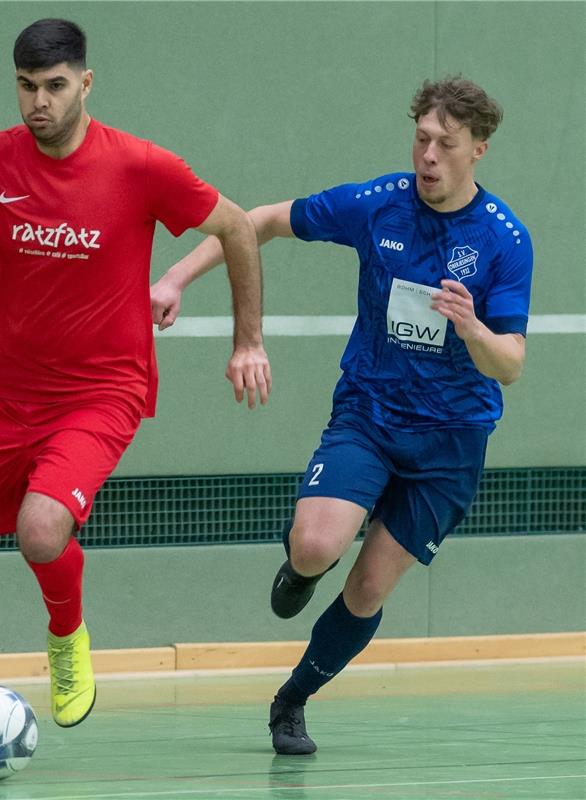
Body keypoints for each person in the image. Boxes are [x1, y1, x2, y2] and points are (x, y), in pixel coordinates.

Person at [0, 18, 271, 766]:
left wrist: (247, 340)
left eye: (55, 87)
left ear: (84, 83)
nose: (40, 103)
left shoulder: (139, 165)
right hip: (5, 390)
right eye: (27, 87)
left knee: (39, 530)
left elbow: (236, 228)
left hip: (103, 389)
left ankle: (67, 638)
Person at [150, 76, 532, 755]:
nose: (429, 156)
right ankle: (299, 567)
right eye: (421, 139)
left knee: (367, 585)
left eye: (447, 144)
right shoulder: (376, 205)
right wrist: (177, 276)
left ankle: (291, 699)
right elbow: (257, 220)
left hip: (452, 440)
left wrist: (473, 330)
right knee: (318, 546)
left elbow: (510, 363)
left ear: (480, 149)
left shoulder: (505, 241)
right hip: (370, 415)